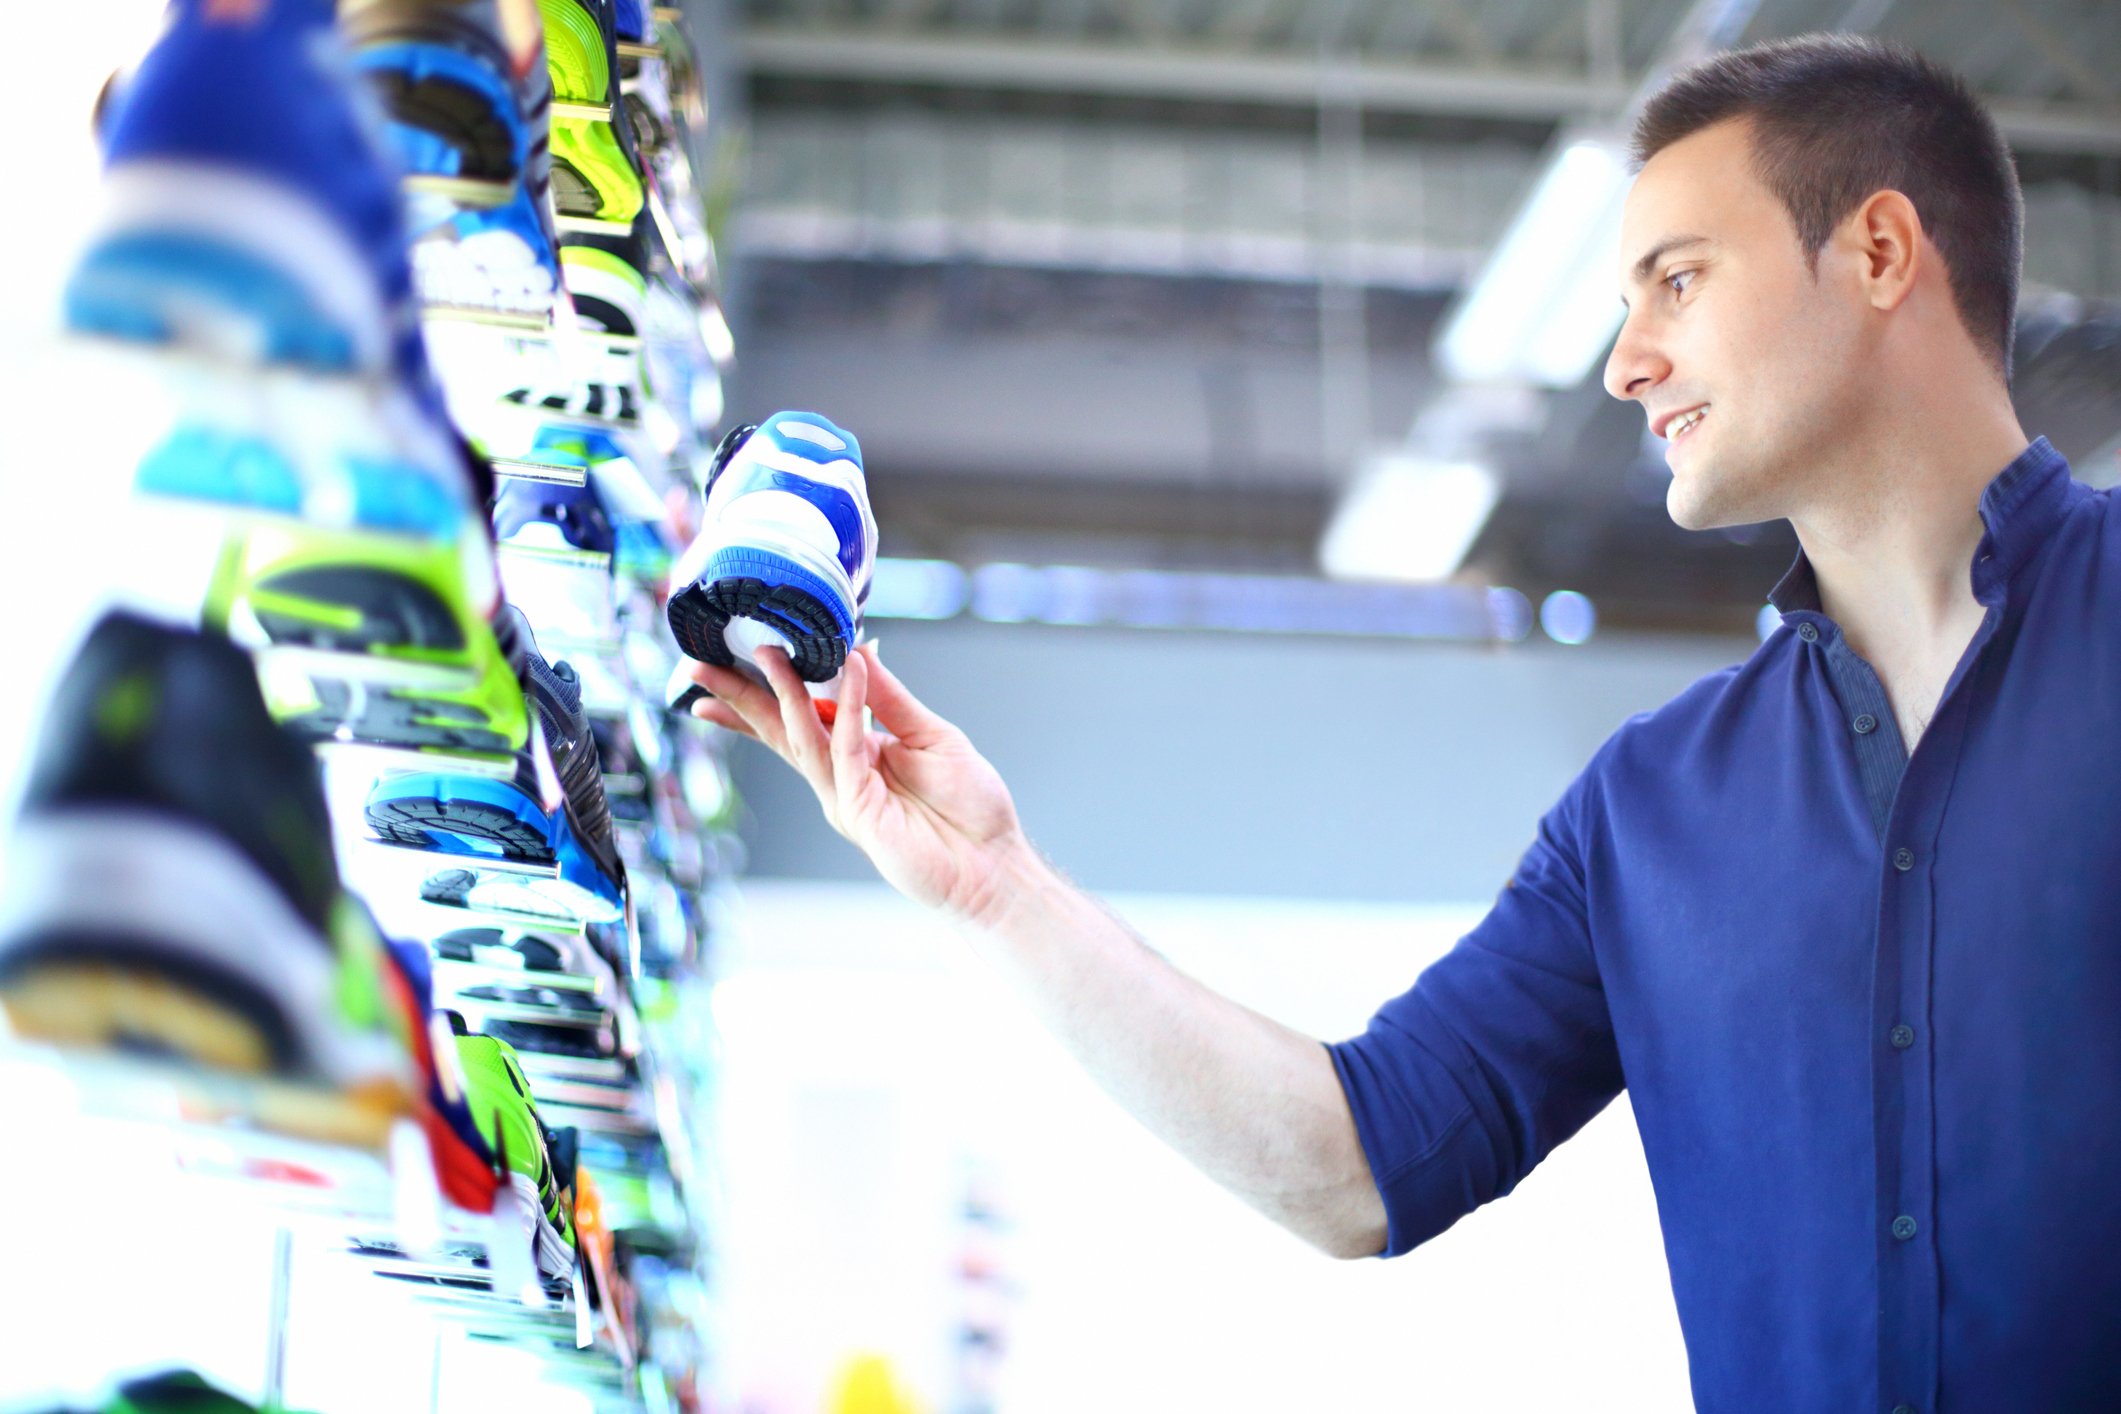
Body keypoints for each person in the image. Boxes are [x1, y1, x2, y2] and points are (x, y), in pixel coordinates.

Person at [685, 33, 2121, 1414]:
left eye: (1676, 281)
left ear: (1875, 254)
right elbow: (1349, 1162)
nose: (1624, 362)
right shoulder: (1651, 812)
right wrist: (998, 889)